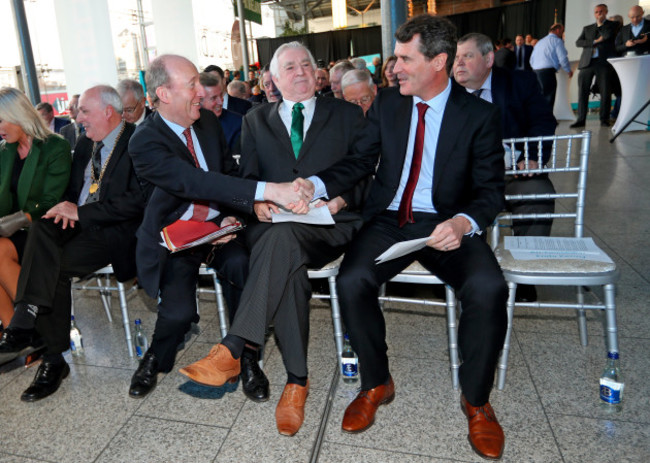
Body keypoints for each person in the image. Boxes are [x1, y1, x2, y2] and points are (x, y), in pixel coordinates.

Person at [321, 15, 508, 460]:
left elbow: (491, 191)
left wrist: (463, 222)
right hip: (389, 218)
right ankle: (376, 382)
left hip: (447, 221)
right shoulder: (388, 105)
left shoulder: (479, 115)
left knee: (488, 287)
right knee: (351, 281)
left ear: (438, 62)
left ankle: (477, 401)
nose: (394, 68)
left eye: (405, 59)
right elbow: (358, 162)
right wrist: (317, 185)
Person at [179, 42, 370, 437]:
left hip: (331, 223)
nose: (299, 72)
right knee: (286, 260)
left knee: (279, 245)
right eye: (289, 67)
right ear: (274, 79)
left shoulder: (347, 114)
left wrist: (340, 198)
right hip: (276, 225)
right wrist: (257, 203)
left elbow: (366, 169)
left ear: (317, 74)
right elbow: (248, 179)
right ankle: (296, 382)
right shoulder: (255, 120)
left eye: (306, 64)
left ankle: (234, 347)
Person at [127, 54, 313, 400]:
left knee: (244, 268)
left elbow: (227, 175)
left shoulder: (207, 124)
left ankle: (246, 359)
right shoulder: (144, 140)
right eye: (192, 84)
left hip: (218, 228)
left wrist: (237, 212)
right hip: (176, 236)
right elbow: (192, 182)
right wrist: (269, 191)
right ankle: (156, 356)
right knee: (179, 313)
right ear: (164, 93)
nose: (203, 90)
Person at [0, 85, 146, 401]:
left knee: (54, 267)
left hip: (112, 231)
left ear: (108, 111)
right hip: (75, 224)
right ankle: (27, 315)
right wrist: (63, 209)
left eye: (84, 112)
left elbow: (138, 202)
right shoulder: (82, 144)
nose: (77, 118)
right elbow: (69, 193)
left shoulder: (138, 141)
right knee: (42, 227)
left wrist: (81, 212)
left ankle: (52, 358)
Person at [454, 32, 558, 303]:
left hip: (514, 171)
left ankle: (525, 275)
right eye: (455, 58)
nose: (459, 64)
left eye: (467, 56)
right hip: (466, 179)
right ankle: (466, 274)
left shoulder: (519, 82)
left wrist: (533, 157)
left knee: (536, 193)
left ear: (489, 59)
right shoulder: (446, 93)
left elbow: (542, 122)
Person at [0, 87, 71, 331]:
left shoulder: (54, 147)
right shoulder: (4, 151)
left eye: (1, 120)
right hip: (14, 230)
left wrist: (21, 218)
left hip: (46, 228)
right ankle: (14, 331)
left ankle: (30, 328)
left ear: (18, 114)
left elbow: (52, 200)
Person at [572, 3, 618, 128]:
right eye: (597, 12)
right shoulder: (587, 28)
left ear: (606, 12)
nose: (599, 14)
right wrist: (594, 41)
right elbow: (578, 42)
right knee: (583, 92)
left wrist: (601, 25)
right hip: (587, 63)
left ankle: (604, 119)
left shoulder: (612, 25)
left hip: (603, 63)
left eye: (601, 11)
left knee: (605, 91)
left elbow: (607, 36)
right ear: (594, 14)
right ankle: (581, 120)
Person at [530, 23, 574, 110]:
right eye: (562, 31)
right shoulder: (557, 41)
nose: (562, 34)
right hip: (547, 72)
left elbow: (531, 59)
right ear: (558, 30)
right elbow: (563, 58)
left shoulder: (540, 42)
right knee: (548, 97)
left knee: (539, 97)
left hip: (535, 72)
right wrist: (568, 70)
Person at [199, 72, 242, 156]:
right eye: (214, 98)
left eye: (221, 95)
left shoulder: (238, 124)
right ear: (199, 100)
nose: (220, 101)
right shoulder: (188, 124)